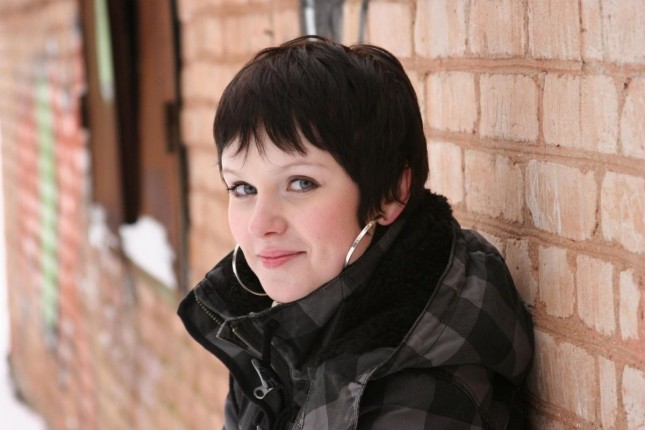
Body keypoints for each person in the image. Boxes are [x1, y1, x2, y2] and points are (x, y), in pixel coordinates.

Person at [178, 35, 534, 430]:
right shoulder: (268, 339)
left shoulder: (420, 398)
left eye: (300, 183)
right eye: (243, 188)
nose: (260, 225)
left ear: (389, 194)